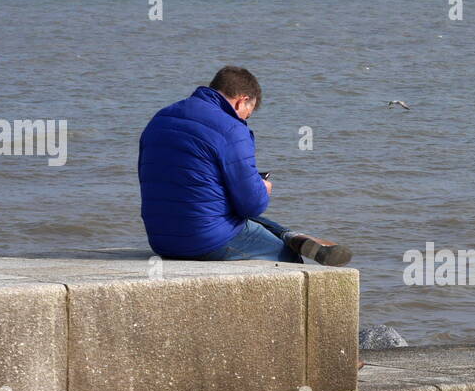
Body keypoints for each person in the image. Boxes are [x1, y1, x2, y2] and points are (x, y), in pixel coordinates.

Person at [138, 67, 351, 265]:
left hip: (160, 239)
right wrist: (262, 189)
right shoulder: (231, 128)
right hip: (202, 241)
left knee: (231, 212)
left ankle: (290, 235)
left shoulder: (161, 118)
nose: (244, 120)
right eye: (247, 115)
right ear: (242, 101)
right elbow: (250, 205)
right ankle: (290, 239)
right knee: (289, 259)